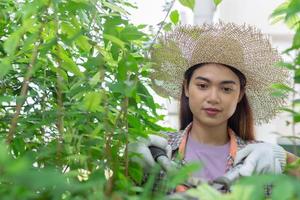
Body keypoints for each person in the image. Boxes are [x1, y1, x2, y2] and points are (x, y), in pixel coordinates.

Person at [128, 22, 299, 195]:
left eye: (226, 89)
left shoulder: (260, 158)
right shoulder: (156, 150)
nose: (213, 98)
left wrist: (284, 157)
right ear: (187, 88)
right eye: (203, 85)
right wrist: (126, 161)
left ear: (239, 95)